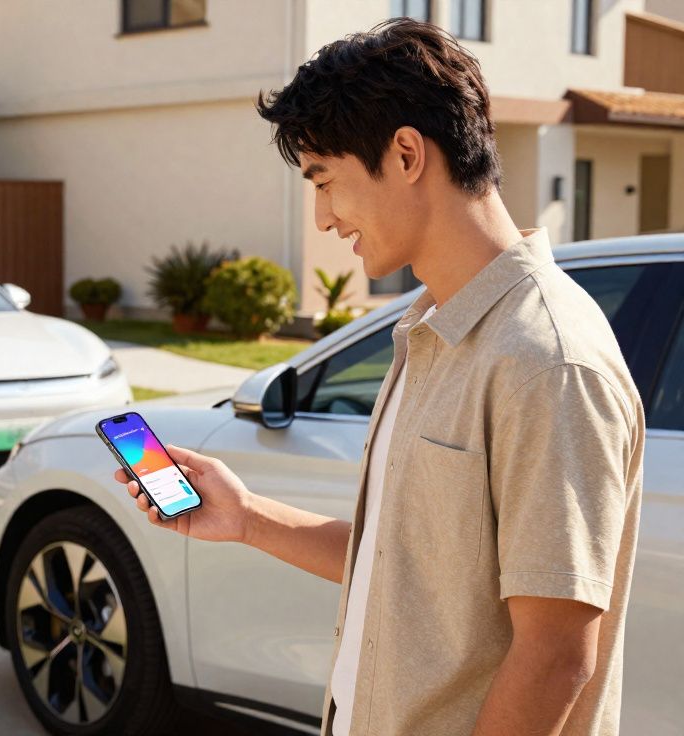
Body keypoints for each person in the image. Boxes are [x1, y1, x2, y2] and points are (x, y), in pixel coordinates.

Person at [117, 20, 644, 736]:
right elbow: (403, 568)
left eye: (325, 180)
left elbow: (555, 657)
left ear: (405, 153)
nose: (323, 217)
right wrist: (246, 517)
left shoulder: (545, 361)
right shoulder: (429, 329)